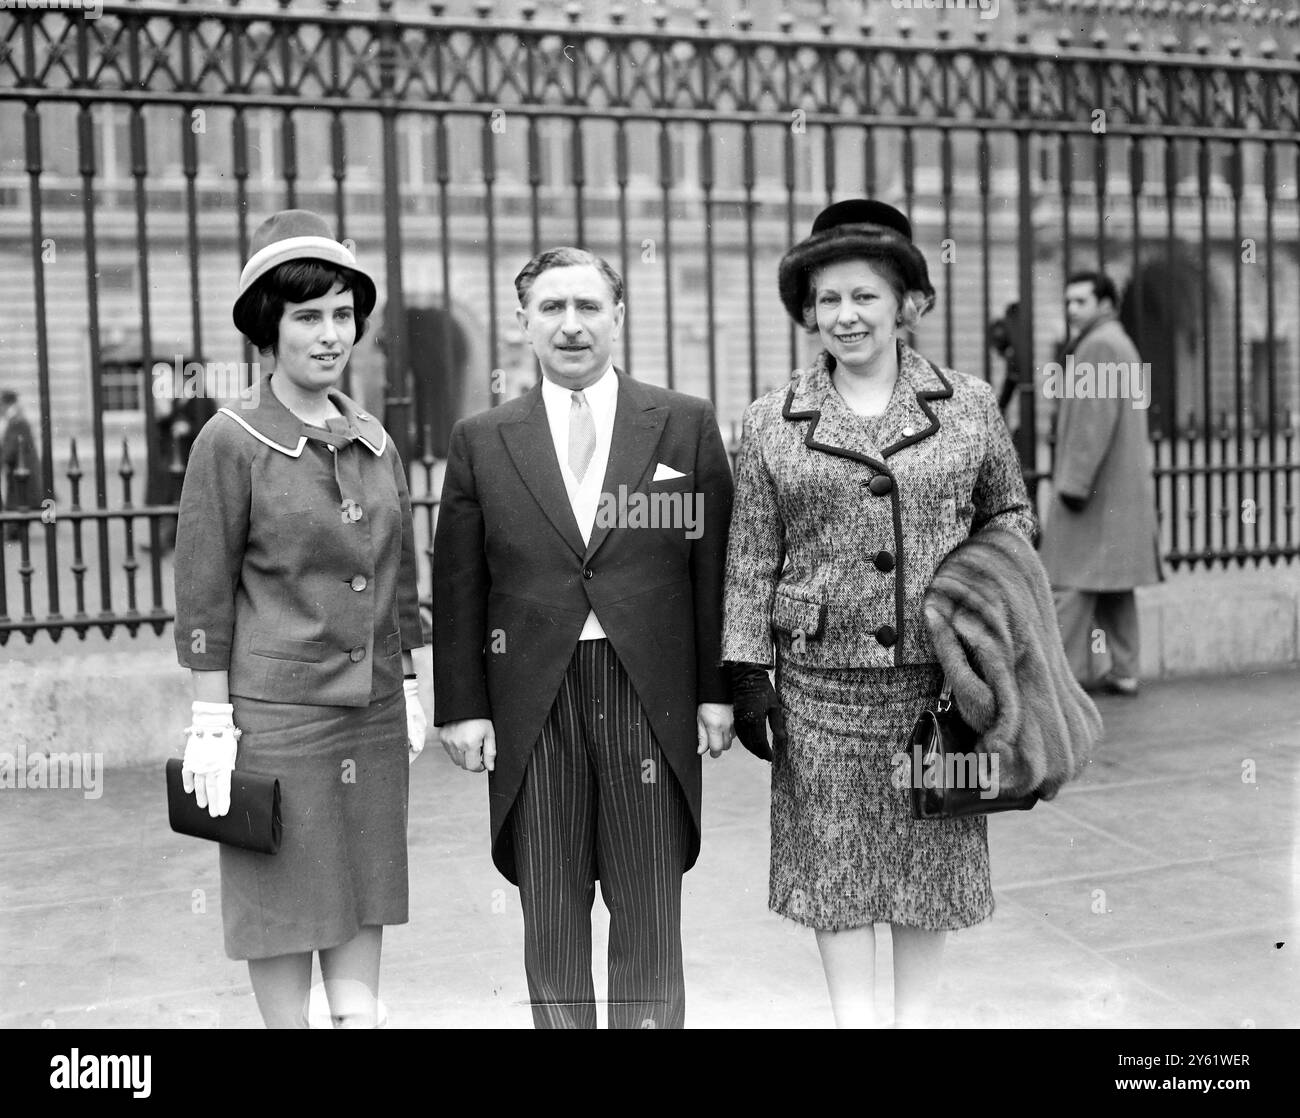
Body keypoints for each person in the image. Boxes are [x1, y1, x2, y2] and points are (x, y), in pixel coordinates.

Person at [723, 199, 1037, 1029]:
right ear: (807, 311)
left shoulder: (966, 404)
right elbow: (750, 555)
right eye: (827, 300)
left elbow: (1009, 513)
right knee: (833, 869)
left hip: (939, 684)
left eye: (864, 295)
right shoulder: (767, 421)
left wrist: (975, 595)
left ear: (908, 304)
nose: (845, 315)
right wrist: (747, 668)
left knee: (927, 864)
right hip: (820, 689)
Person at [432, 246, 735, 1029]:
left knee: (647, 906)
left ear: (618, 318)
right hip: (535, 697)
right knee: (552, 910)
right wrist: (462, 707)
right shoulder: (483, 438)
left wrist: (715, 691)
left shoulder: (682, 425)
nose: (572, 325)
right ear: (524, 323)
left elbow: (712, 572)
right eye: (553, 309)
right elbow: (461, 583)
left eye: (589, 307)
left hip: (649, 696)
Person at [172, 210, 428, 1028]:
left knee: (361, 894)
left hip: (375, 712)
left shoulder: (374, 438)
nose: (329, 336)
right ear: (267, 329)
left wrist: (412, 679)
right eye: (307, 317)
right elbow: (205, 590)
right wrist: (211, 718)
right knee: (283, 903)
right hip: (277, 720)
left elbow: (400, 575)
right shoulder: (233, 439)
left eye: (343, 316)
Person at [1039, 271, 1163, 697]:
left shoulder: (1098, 345)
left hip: (1093, 490)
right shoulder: (1117, 340)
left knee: (1070, 581)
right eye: (1068, 301)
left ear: (1104, 301)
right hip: (1116, 489)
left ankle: (1060, 679)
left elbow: (1093, 421)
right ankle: (1124, 669)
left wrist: (1072, 482)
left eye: (1081, 301)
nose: (1072, 309)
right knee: (1114, 583)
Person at [1, 389, 42, 540]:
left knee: (23, 502)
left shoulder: (16, 421)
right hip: (22, 469)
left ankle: (13, 532)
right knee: (33, 502)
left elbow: (10, 449)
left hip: (23, 470)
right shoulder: (16, 419)